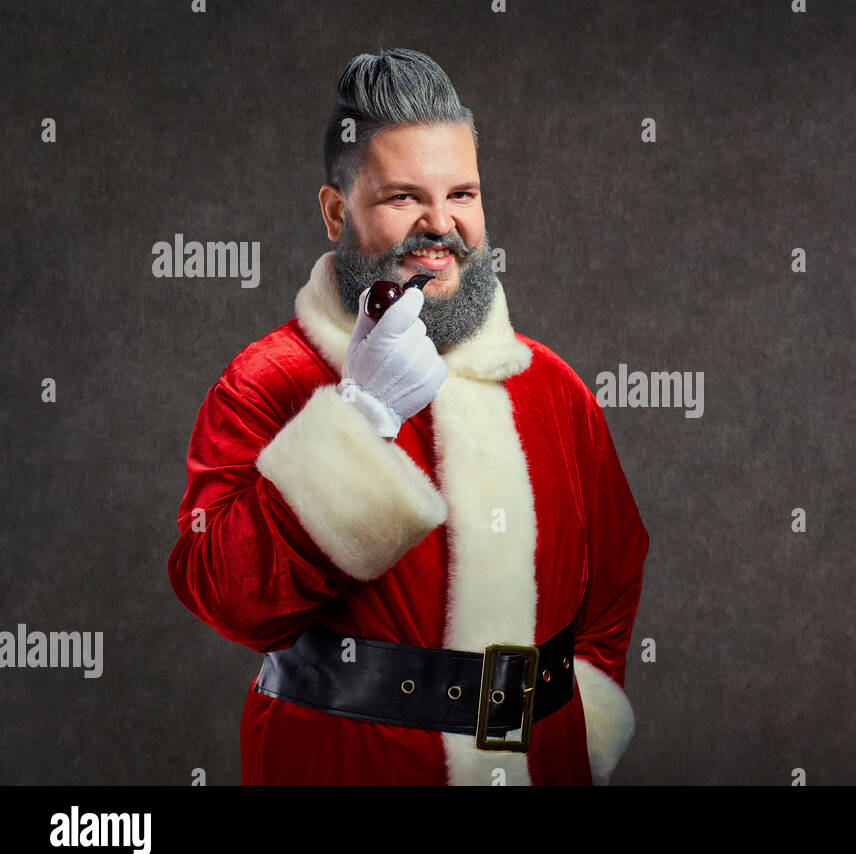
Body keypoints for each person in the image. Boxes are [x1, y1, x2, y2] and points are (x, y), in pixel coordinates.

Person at [167, 48, 649, 786]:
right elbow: (227, 598)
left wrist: (582, 727)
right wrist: (362, 416)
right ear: (338, 211)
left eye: (462, 193)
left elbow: (613, 580)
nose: (441, 224)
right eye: (403, 197)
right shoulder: (267, 380)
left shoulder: (554, 389)